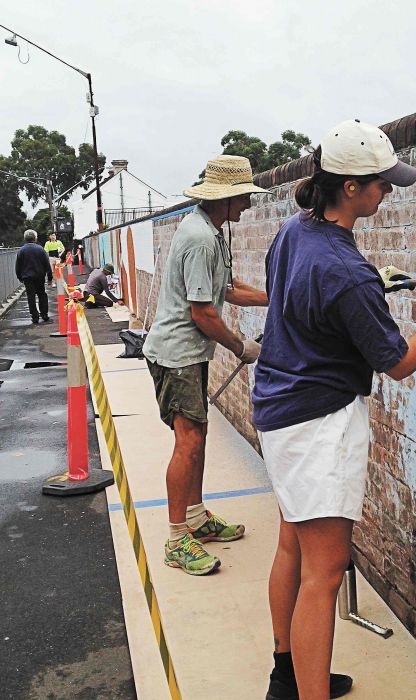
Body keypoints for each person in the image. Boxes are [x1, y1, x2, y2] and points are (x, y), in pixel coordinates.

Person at [252, 120, 416, 700]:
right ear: (349, 187)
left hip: (279, 410)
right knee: (323, 575)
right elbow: (397, 361)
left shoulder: (294, 230)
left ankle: (289, 674)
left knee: (291, 545)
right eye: (381, 184)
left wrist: (370, 286)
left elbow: (299, 292)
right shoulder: (346, 272)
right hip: (319, 423)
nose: (388, 193)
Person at [143, 154, 271, 576]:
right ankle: (178, 539)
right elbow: (203, 313)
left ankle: (195, 518)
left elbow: (228, 289)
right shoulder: (199, 237)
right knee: (189, 442)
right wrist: (241, 347)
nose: (249, 204)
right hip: (177, 354)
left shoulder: (213, 232)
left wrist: (279, 296)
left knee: (197, 434)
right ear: (229, 198)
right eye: (245, 197)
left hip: (189, 354)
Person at [15, 229, 53, 324]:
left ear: (25, 238)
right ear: (35, 238)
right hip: (39, 276)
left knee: (30, 297)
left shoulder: (21, 251)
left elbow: (18, 266)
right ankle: (44, 314)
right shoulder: (40, 249)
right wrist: (50, 277)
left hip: (27, 278)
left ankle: (34, 317)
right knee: (42, 294)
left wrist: (20, 277)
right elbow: (47, 264)